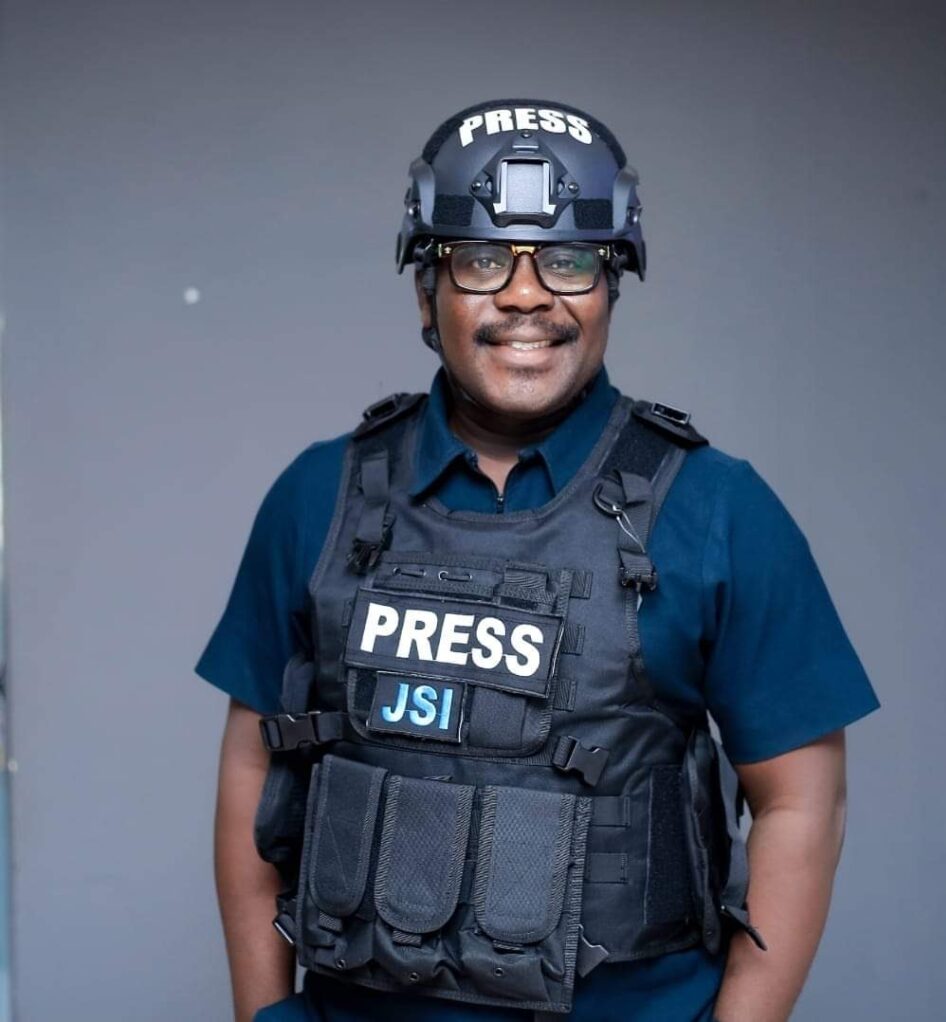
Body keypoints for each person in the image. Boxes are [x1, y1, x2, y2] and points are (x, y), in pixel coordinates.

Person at [197, 99, 880, 1022]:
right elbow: (254, 767)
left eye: (569, 259)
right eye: (481, 261)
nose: (526, 296)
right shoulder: (318, 497)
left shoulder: (720, 510)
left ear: (612, 283)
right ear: (424, 290)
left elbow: (804, 803)